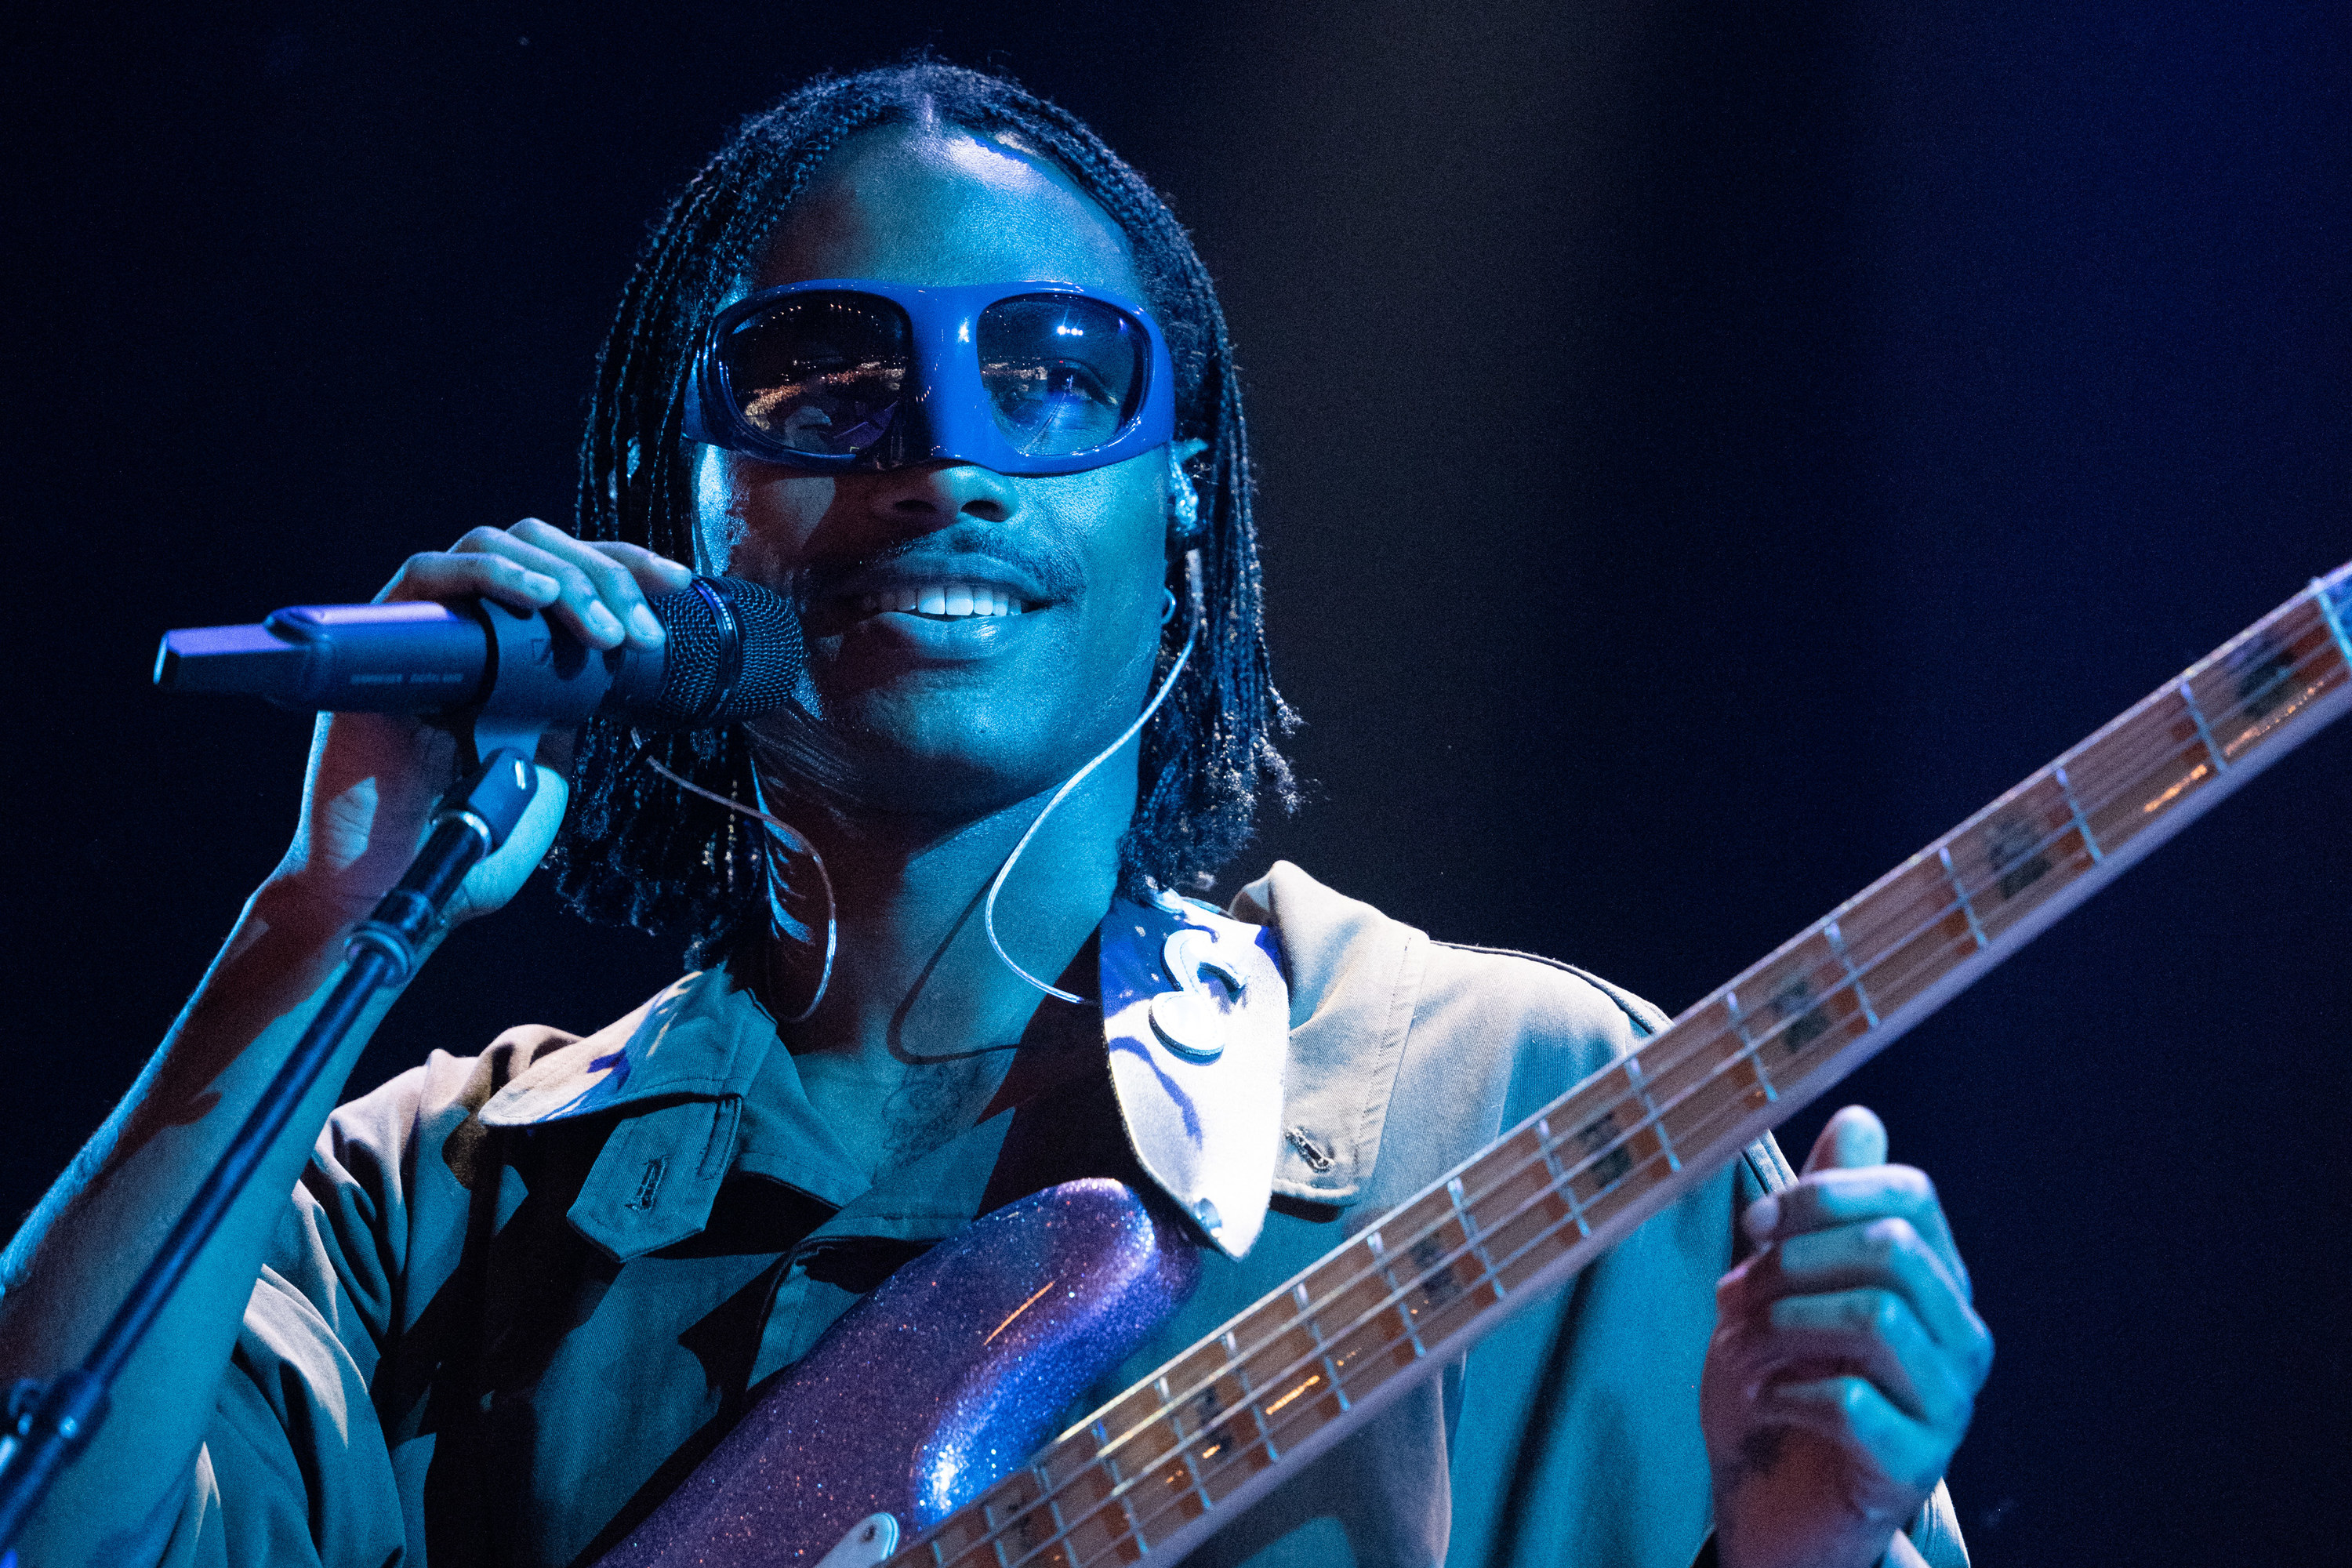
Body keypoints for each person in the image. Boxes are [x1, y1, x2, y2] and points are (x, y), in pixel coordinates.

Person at [0, 62, 1991, 1568]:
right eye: (823, 378)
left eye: (1051, 376)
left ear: (1182, 500)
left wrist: (1809, 1543)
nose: (945, 451)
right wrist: (330, 911)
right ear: (677, 500)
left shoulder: (1526, 1101)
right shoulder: (428, 1201)